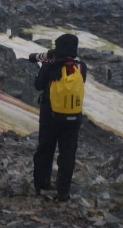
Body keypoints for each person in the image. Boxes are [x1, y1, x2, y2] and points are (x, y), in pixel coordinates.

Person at [33, 33, 88, 202]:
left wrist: (45, 64)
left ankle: (42, 184)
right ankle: (63, 191)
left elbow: (38, 85)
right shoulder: (81, 67)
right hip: (74, 116)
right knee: (68, 152)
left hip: (51, 114)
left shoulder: (51, 65)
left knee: (46, 148)